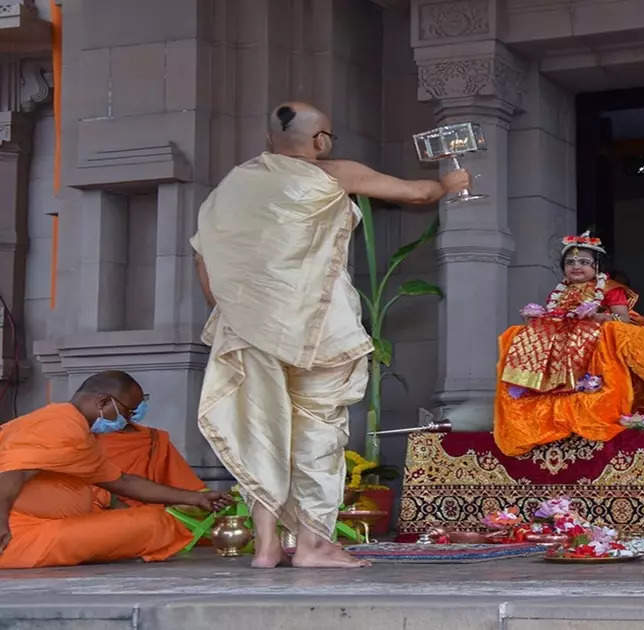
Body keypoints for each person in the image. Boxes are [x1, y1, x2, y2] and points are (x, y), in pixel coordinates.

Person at [191, 101, 470, 569]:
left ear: (268, 142)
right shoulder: (332, 174)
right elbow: (417, 194)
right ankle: (314, 544)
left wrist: (234, 313)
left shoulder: (231, 188)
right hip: (319, 328)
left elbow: (204, 258)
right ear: (320, 140)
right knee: (317, 431)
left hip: (248, 327)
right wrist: (450, 183)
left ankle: (265, 547)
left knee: (264, 430)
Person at [0, 371, 232, 568]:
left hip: (40, 525)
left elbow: (122, 482)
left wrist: (194, 498)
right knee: (154, 525)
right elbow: (13, 472)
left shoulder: (80, 432)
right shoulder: (60, 424)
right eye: (127, 412)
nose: (127, 420)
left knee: (151, 521)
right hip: (17, 531)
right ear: (102, 402)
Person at [493, 233, 644, 456]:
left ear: (597, 265)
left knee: (588, 332)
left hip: (591, 336)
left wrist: (599, 318)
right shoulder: (561, 291)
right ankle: (534, 386)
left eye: (583, 262)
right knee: (519, 334)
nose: (576, 266)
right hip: (562, 335)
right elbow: (554, 314)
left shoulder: (610, 288)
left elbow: (623, 320)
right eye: (570, 262)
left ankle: (586, 389)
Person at [94, 402, 207, 507]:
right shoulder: (85, 439)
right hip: (97, 514)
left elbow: (186, 484)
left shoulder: (154, 439)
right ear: (103, 403)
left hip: (150, 512)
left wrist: (200, 498)